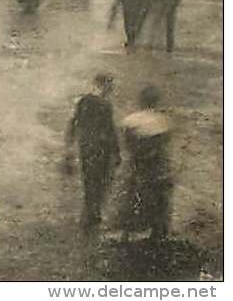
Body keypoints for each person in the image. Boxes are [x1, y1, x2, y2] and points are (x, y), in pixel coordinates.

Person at [66, 73, 121, 231]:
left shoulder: (83, 101)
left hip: (85, 148)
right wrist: (117, 152)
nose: (111, 89)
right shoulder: (105, 105)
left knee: (89, 180)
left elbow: (73, 123)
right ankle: (93, 214)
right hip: (101, 148)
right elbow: (110, 131)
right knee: (101, 181)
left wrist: (69, 146)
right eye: (110, 86)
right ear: (104, 86)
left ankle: (90, 212)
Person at [120, 86, 173, 240]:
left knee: (133, 194)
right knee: (159, 197)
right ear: (156, 101)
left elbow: (128, 145)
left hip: (138, 162)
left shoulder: (130, 120)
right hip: (157, 164)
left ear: (140, 101)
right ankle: (158, 231)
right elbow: (164, 146)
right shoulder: (164, 121)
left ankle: (128, 231)